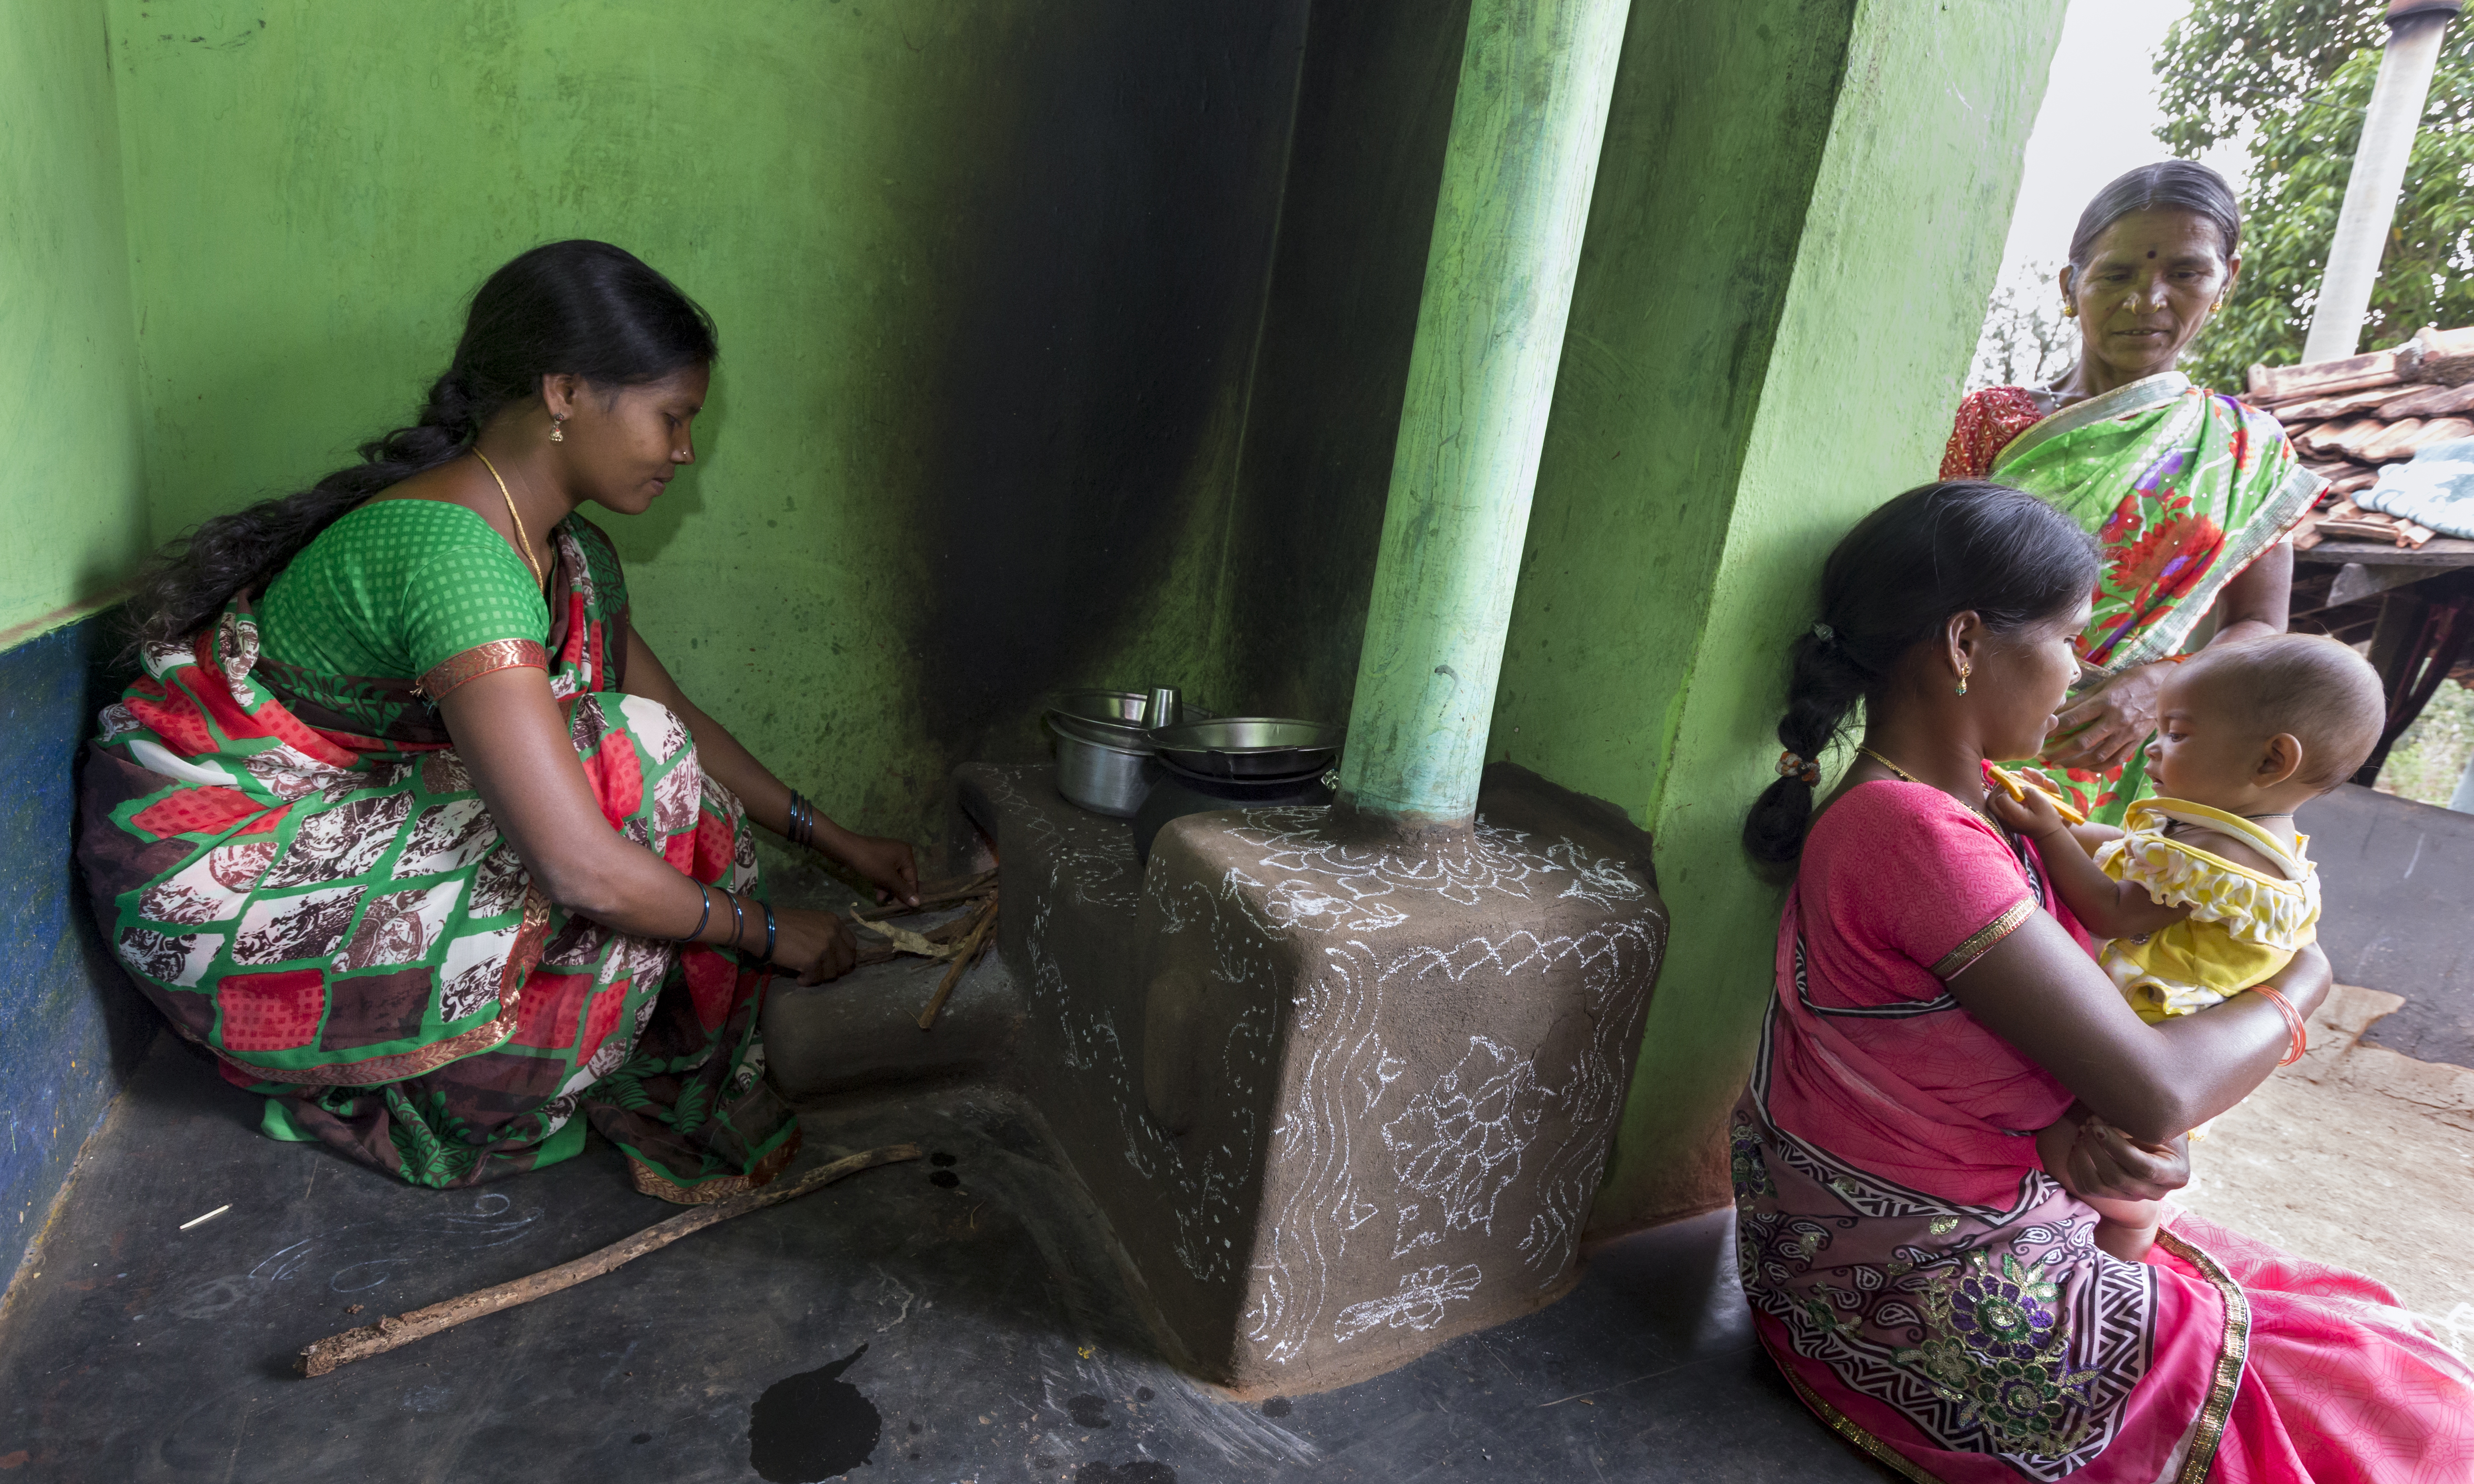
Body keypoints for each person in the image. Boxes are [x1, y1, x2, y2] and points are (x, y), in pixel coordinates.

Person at [79, 241, 918, 1202]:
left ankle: (525, 1063)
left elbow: (676, 712)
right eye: (672, 418)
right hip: (213, 878)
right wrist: (766, 930)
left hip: (342, 825)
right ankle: (397, 1100)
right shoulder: (458, 555)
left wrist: (840, 841)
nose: (684, 451)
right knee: (627, 775)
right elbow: (581, 861)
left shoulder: (568, 555)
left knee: (647, 766)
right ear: (564, 393)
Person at [1737, 481, 2474, 1482]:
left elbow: (1984, 1057)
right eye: (2071, 638)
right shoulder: (1906, 831)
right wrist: (2303, 981)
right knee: (2384, 1423)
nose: (2082, 673)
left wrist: (2073, 1140)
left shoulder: (1980, 812)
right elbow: (2159, 1085)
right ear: (1965, 644)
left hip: (1950, 1230)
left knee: (2361, 1339)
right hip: (1904, 1285)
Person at [1939, 162, 2324, 825]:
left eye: (2185, 273)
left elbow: (2259, 624)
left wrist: (2165, 684)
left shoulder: (2247, 451)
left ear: (2225, 282)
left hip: (2128, 772)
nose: (2148, 299)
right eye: (2117, 274)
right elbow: (1933, 586)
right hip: (1967, 743)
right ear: (2071, 285)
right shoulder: (1991, 421)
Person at [1995, 635, 2382, 1265]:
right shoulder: (2225, 825)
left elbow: (2112, 906)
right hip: (2175, 1015)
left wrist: (2045, 833)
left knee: (2073, 1146)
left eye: (2177, 734)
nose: (2155, 746)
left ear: (2271, 761)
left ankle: (2130, 1237)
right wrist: (2063, 822)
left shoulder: (2225, 857)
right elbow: (2128, 849)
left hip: (2163, 1021)